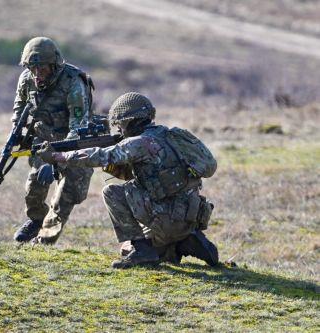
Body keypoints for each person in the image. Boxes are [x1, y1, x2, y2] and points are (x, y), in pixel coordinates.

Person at [37, 92, 219, 268]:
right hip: (191, 215)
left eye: (120, 125)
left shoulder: (138, 143)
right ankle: (188, 239)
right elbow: (210, 166)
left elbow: (99, 156)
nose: (119, 130)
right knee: (162, 251)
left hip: (164, 220)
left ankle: (143, 249)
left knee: (113, 192)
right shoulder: (174, 135)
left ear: (129, 121)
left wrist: (58, 156)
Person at [11, 37, 94, 244]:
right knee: (34, 188)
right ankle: (37, 220)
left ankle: (46, 239)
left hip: (75, 143)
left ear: (54, 65)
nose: (37, 74)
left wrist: (59, 157)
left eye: (42, 68)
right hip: (45, 139)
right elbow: (20, 107)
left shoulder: (73, 82)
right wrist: (16, 131)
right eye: (33, 68)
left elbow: (78, 126)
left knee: (65, 196)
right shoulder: (27, 79)